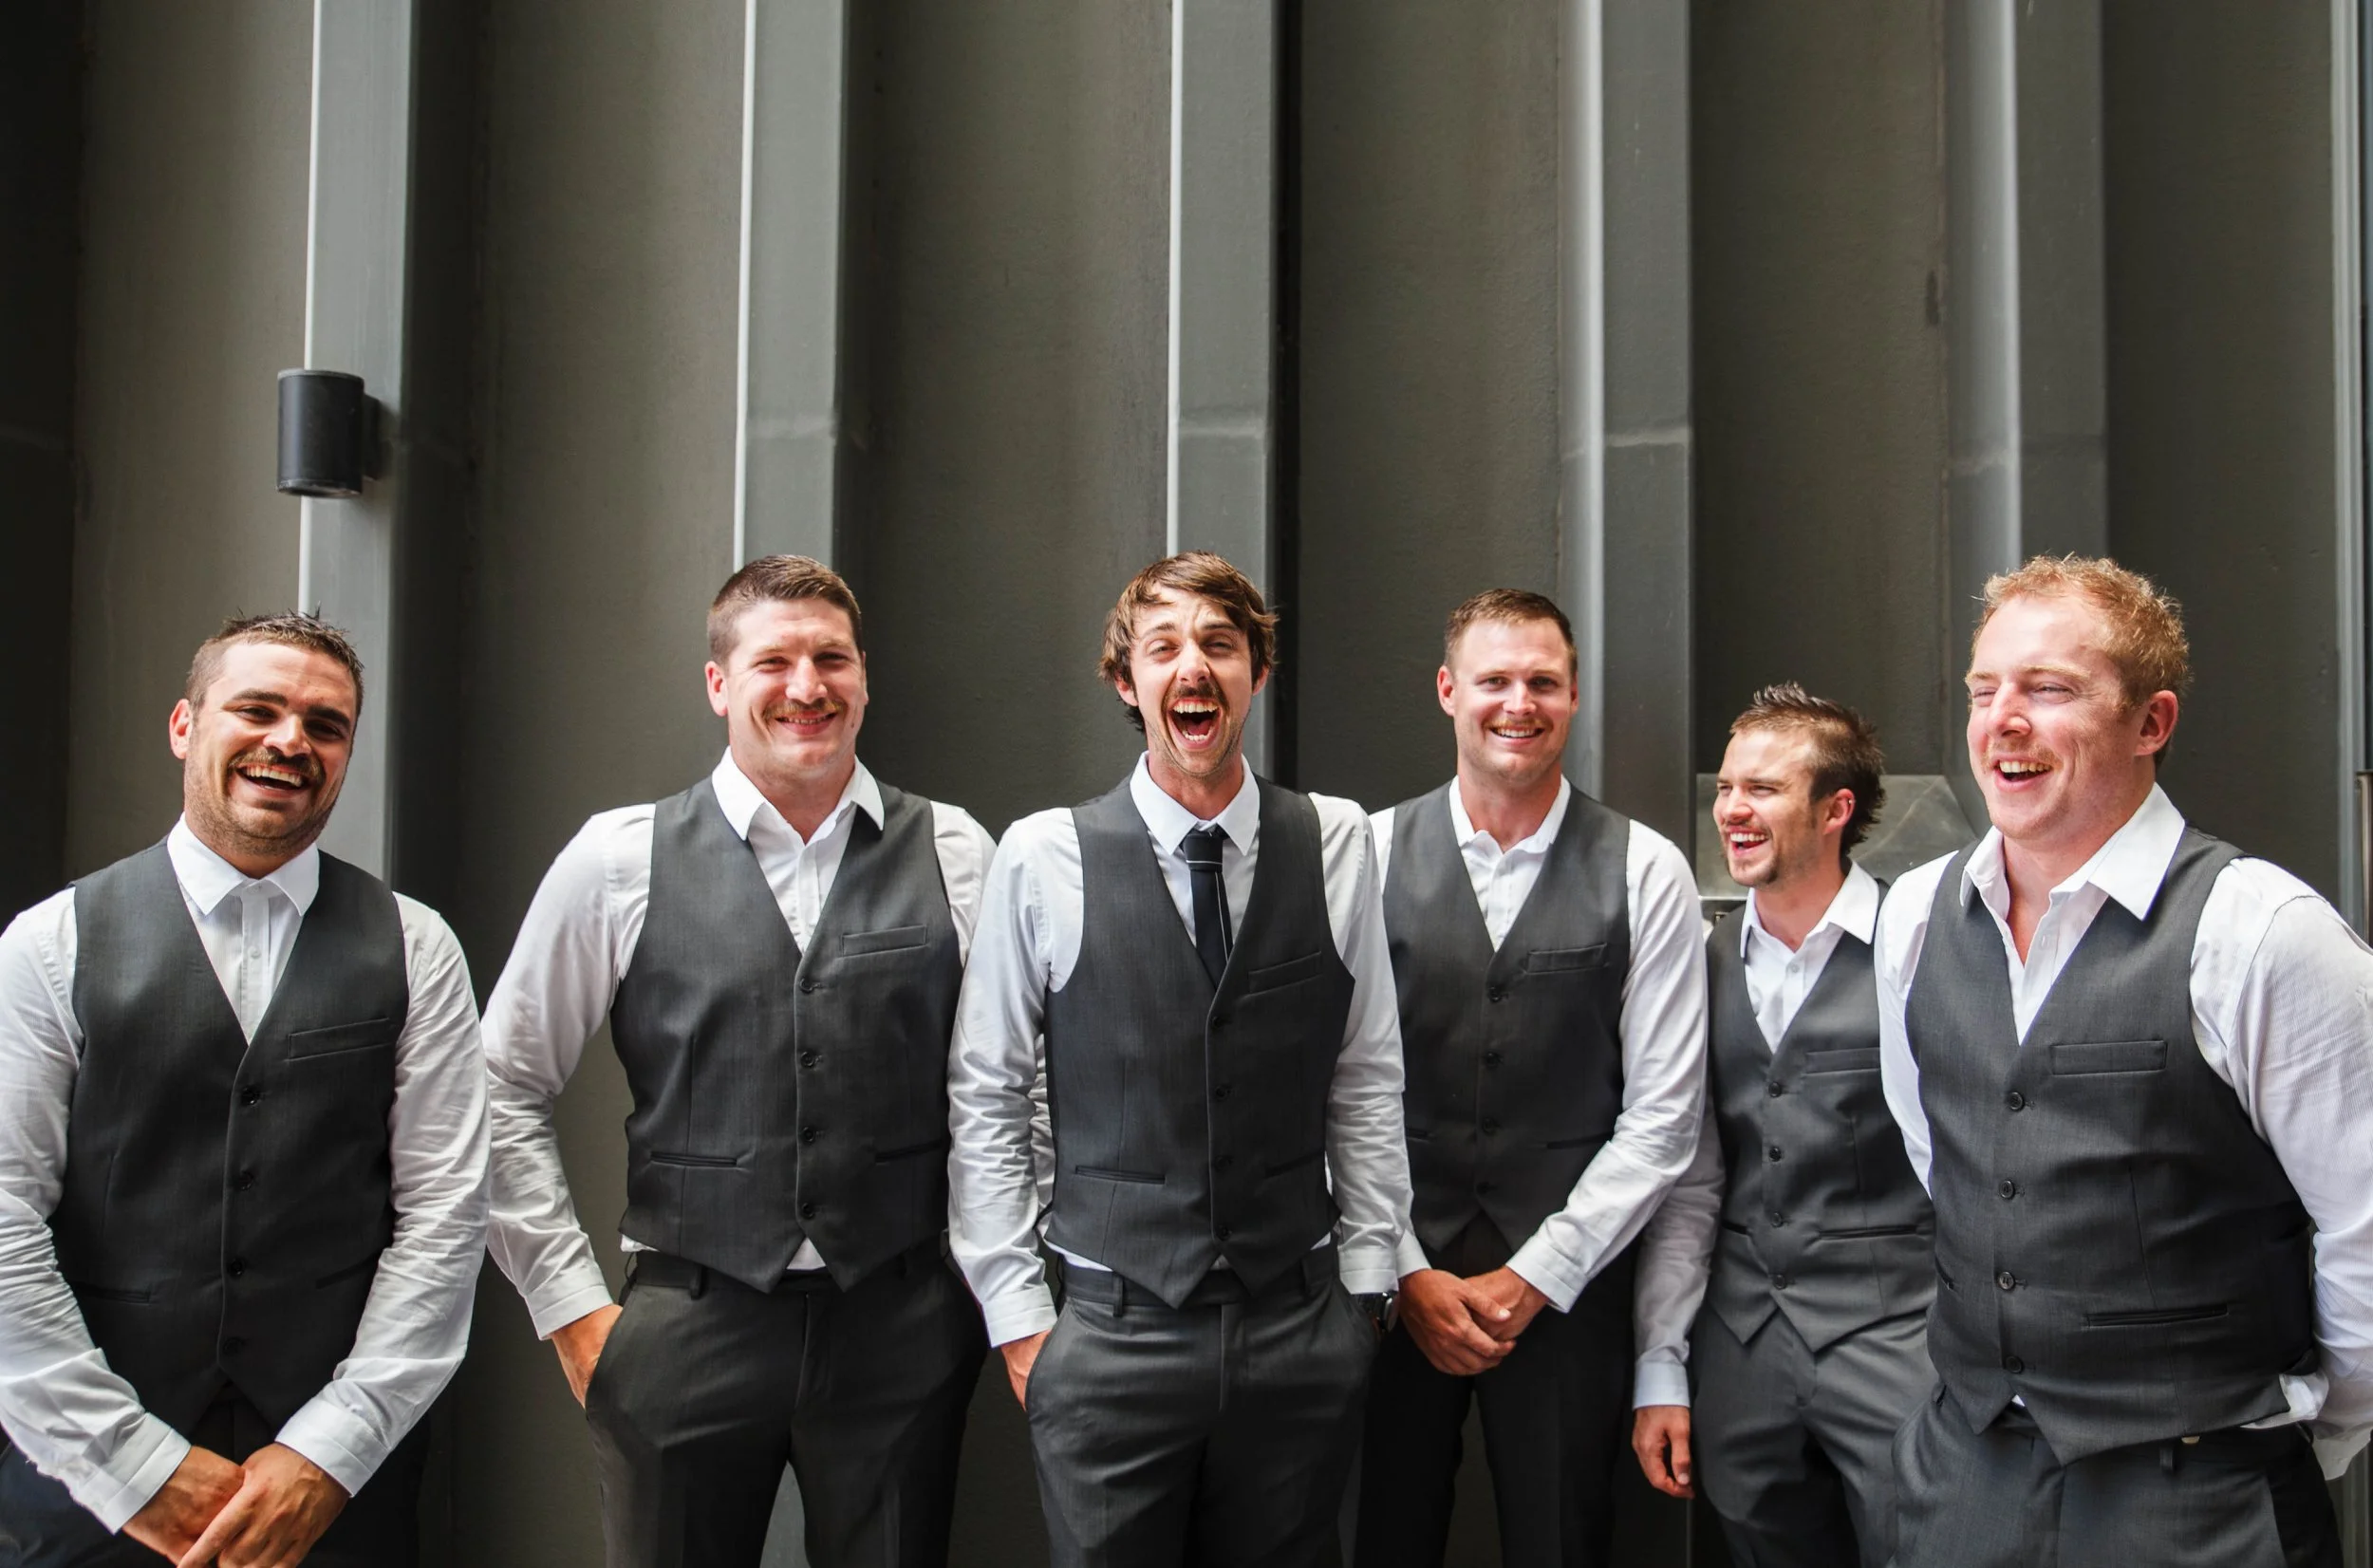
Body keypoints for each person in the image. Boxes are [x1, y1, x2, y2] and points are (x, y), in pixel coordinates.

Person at [479, 556, 993, 1568]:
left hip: (900, 1322)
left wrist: (989, 1294)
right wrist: (573, 1312)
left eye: (831, 658)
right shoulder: (617, 858)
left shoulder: (959, 850)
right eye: (775, 660)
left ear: (863, 678)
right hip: (687, 1322)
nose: (807, 686)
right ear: (719, 684)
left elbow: (1016, 1089)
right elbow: (497, 1085)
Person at [1878, 555, 2373, 1566]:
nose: (2002, 719)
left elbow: (2365, 1228)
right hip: (1965, 1470)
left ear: (2151, 722)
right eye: (1985, 689)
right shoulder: (1913, 914)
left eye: (2048, 688)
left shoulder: (2263, 931)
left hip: (2199, 1489)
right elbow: (1946, 1157)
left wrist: (2298, 1433)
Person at [947, 551, 1410, 1568]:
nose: (1192, 666)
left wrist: (1368, 1290)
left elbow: (1366, 1069)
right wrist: (1021, 1319)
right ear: (1128, 681)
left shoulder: (1333, 840)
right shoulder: (1040, 853)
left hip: (1297, 1324)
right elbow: (985, 1091)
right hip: (1108, 1336)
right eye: (1164, 647)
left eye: (1219, 644)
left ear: (1256, 671)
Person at [0, 613, 489, 1568]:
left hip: (332, 1496)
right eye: (256, 709)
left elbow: (444, 1218)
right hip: (81, 1491)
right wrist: (131, 1464)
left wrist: (326, 1452)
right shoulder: (48, 943)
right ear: (185, 725)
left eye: (325, 722)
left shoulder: (417, 946)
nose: (289, 741)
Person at [1354, 589, 1706, 1568]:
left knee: (1565, 1541)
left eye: (1542, 680)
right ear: (1446, 689)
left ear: (1574, 694)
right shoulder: (1364, 854)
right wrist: (1409, 1269)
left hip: (1569, 1288)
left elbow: (1664, 1118)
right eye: (1495, 679)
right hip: (1389, 1283)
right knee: (1379, 1531)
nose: (1520, 701)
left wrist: (1535, 1276)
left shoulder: (1648, 870)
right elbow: (1335, 1089)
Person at [1629, 683, 1932, 1568]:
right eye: (1727, 788)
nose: (1732, 810)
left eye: (1762, 788)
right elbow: (1689, 1180)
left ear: (1836, 809)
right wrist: (1664, 1364)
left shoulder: (1916, 955)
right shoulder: (1700, 958)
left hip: (1901, 1343)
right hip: (1743, 1355)